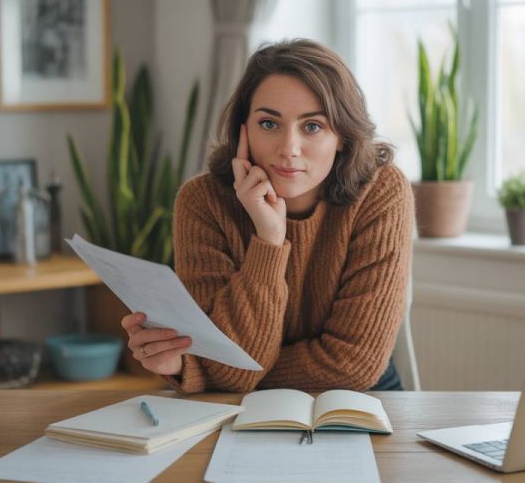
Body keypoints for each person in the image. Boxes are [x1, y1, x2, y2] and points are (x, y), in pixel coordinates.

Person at [121, 39, 413, 394]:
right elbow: (226, 368)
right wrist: (269, 240)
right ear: (243, 129)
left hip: (361, 399)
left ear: (342, 136)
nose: (289, 148)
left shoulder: (381, 191)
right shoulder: (203, 201)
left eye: (313, 126)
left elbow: (353, 365)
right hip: (234, 406)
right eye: (269, 124)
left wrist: (214, 371)